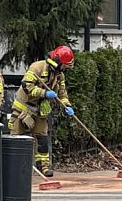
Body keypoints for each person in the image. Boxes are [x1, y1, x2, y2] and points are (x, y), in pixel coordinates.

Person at [9, 45, 76, 177]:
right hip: (23, 109)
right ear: (57, 62)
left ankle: (43, 168)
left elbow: (62, 94)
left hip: (39, 110)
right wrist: (45, 93)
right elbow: (27, 87)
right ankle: (16, 170)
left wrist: (66, 106)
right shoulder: (37, 67)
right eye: (64, 65)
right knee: (17, 139)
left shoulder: (59, 76)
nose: (65, 68)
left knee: (42, 139)